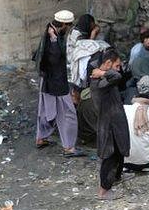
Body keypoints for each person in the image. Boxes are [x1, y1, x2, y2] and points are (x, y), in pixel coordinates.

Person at [33, 10, 84, 157]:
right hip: (56, 83)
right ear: (62, 24)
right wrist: (54, 40)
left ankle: (41, 138)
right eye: (67, 26)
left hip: (48, 81)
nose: (68, 29)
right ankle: (69, 148)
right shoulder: (52, 37)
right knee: (68, 114)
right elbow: (54, 59)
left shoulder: (51, 32)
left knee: (45, 111)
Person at [91, 48, 131, 199]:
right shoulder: (100, 82)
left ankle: (116, 177)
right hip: (109, 125)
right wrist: (102, 73)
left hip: (115, 122)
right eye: (116, 65)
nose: (118, 69)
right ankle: (103, 190)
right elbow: (117, 76)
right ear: (108, 63)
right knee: (110, 156)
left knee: (119, 152)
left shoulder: (104, 79)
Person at [66, 14, 110, 94]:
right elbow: (86, 48)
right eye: (92, 25)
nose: (94, 26)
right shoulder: (76, 34)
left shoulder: (82, 29)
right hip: (73, 60)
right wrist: (93, 33)